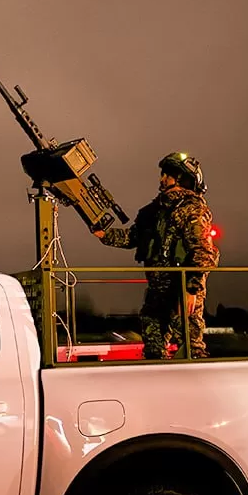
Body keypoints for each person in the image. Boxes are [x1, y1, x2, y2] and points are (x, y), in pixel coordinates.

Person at [94, 152, 220, 359]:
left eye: (167, 175)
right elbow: (132, 237)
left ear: (180, 178)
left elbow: (203, 252)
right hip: (157, 291)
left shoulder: (192, 209)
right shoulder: (153, 212)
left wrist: (191, 289)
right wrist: (104, 235)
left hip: (181, 287)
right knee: (153, 347)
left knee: (190, 347)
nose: (162, 179)